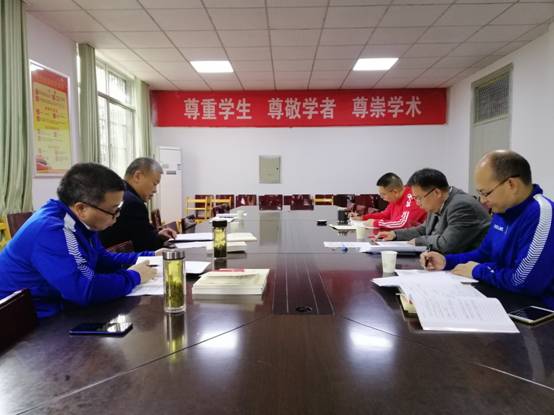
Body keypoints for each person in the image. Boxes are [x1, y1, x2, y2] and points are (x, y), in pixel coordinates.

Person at [0, 163, 158, 318]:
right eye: (113, 210)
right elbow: (84, 289)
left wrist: (152, 256)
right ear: (82, 208)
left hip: (56, 306)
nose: (117, 216)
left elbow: (101, 258)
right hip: (23, 321)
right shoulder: (51, 230)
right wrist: (134, 276)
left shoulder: (79, 221)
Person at [421, 150, 554, 307]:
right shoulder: (503, 210)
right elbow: (484, 254)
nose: (483, 201)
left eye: (485, 193)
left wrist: (478, 270)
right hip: (504, 296)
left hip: (538, 311)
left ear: (511, 184)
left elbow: (524, 281)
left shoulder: (542, 214)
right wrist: (446, 261)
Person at [376, 168, 490, 254]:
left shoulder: (462, 206)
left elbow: (446, 244)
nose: (417, 203)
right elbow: (424, 229)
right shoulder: (436, 202)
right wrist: (395, 234)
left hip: (470, 266)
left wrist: (419, 241)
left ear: (437, 193)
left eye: (419, 198)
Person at [100, 158, 177, 251]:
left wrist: (157, 235)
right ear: (137, 176)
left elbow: (139, 235)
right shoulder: (133, 203)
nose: (155, 190)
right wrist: (160, 239)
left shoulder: (119, 193)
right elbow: (147, 245)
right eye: (154, 184)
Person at [351, 172, 426, 230]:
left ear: (395, 192)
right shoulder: (395, 199)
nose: (381, 197)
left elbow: (404, 223)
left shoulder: (412, 197)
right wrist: (363, 217)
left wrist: (376, 223)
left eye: (383, 194)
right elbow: (385, 215)